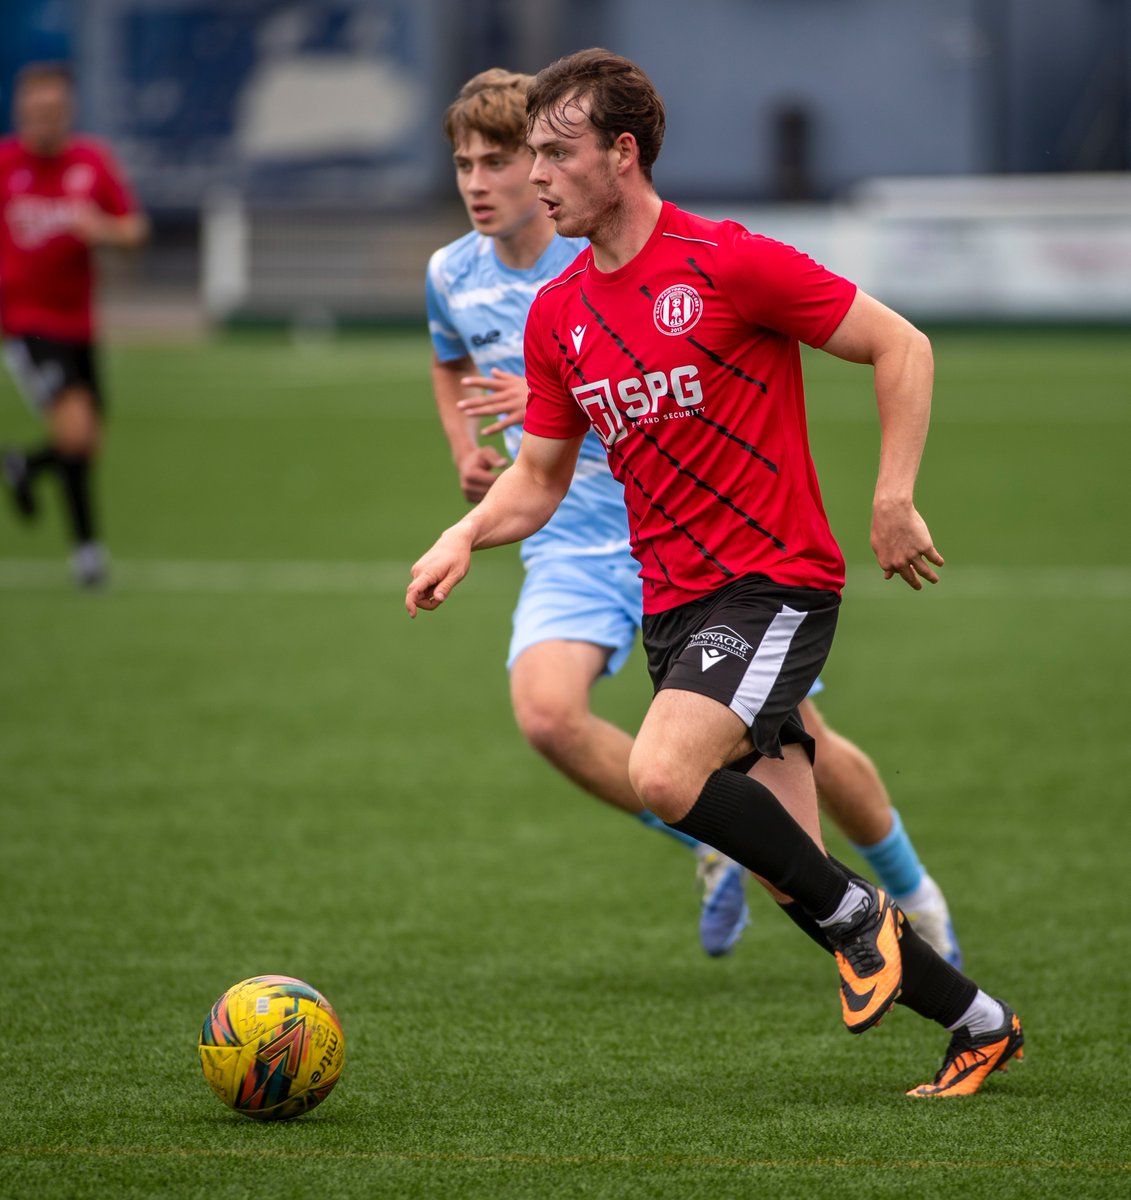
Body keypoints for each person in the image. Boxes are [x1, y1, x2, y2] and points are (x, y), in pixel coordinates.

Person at [407, 49, 1021, 1097]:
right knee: (794, 870)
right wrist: (466, 535)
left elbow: (900, 344)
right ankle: (977, 1021)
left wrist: (892, 494)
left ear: (623, 154)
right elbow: (541, 476)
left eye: (556, 153)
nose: (537, 175)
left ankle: (872, 914)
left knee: (661, 774)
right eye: (531, 157)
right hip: (673, 602)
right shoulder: (559, 316)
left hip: (774, 584)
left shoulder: (726, 262)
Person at [0, 61, 148, 587]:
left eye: (54, 108)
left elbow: (135, 230)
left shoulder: (90, 161)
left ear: (68, 110)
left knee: (85, 443)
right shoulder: (4, 166)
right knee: (77, 431)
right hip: (25, 325)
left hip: (80, 324)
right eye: (36, 109)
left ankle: (28, 472)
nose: (45, 117)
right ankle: (89, 556)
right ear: (20, 110)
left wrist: (102, 229)